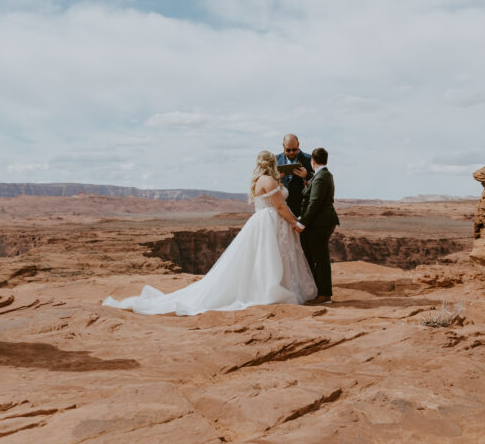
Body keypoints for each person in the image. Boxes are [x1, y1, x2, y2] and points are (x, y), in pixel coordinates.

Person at [104, 150, 317, 314]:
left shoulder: (262, 180)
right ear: (271, 163)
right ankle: (268, 291)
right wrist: (296, 222)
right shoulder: (269, 180)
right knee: (268, 258)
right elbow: (280, 206)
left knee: (262, 259)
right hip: (269, 223)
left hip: (266, 223)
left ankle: (267, 287)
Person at [300, 147, 339, 305]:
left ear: (313, 161)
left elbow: (314, 202)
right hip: (323, 222)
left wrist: (302, 222)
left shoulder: (321, 176)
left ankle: (324, 294)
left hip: (320, 223)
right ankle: (320, 291)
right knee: (318, 256)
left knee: (320, 258)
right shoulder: (324, 174)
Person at [276, 134, 313, 217]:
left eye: (294, 149)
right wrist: (275, 178)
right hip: (282, 209)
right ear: (283, 146)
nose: (291, 152)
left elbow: (318, 180)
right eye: (288, 150)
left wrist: (306, 176)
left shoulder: (309, 159)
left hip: (302, 209)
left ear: (298, 145)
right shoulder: (275, 160)